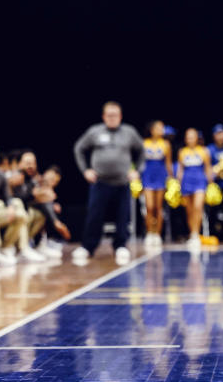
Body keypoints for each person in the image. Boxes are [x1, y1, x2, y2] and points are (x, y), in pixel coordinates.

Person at [73, 101, 144, 266]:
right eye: (109, 115)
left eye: (115, 115)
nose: (112, 118)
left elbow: (141, 151)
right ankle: (88, 247)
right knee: (94, 216)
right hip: (100, 182)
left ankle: (120, 246)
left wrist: (137, 171)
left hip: (122, 182)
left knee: (123, 216)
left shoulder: (129, 132)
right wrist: (85, 170)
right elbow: (79, 149)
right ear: (104, 116)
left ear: (120, 116)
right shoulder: (95, 132)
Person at [177, 128, 213, 250]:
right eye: (188, 137)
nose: (190, 139)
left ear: (197, 138)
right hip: (187, 182)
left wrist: (211, 183)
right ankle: (192, 233)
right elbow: (180, 170)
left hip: (200, 181)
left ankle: (196, 234)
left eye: (192, 137)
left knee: (198, 207)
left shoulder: (204, 151)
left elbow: (207, 168)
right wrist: (178, 184)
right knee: (189, 210)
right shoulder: (182, 152)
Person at [141, 121, 173, 249]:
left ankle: (158, 234)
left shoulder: (166, 144)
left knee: (158, 207)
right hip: (147, 177)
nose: (161, 130)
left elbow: (168, 163)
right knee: (149, 206)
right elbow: (140, 162)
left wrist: (171, 179)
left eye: (162, 128)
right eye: (158, 128)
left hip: (160, 177)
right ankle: (150, 233)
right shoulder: (144, 143)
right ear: (152, 130)